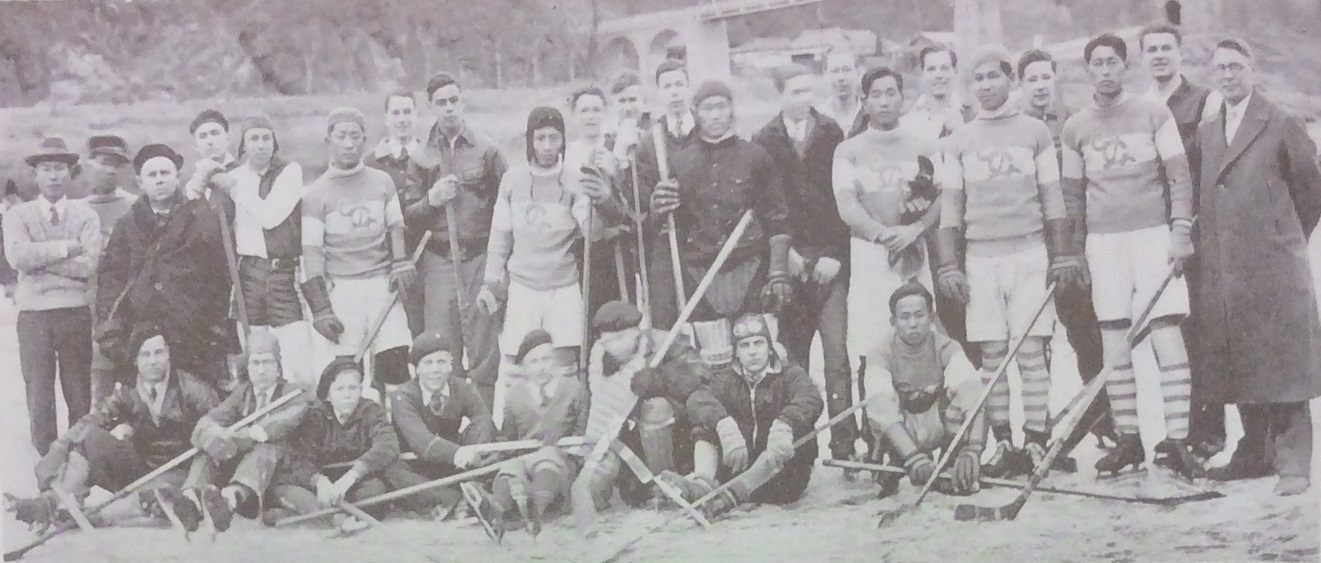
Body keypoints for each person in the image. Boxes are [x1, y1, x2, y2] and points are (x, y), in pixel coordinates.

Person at [1060, 33, 1200, 479]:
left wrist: (1180, 234)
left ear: (1125, 66)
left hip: (1152, 236)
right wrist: (1076, 252)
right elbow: (1072, 197)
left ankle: (1177, 440)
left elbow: (1179, 177)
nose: (1105, 70)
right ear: (1088, 71)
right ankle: (1128, 439)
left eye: (1112, 62)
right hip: (1104, 243)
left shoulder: (1153, 112)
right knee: (1114, 340)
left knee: (1165, 334)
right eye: (1097, 63)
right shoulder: (1075, 127)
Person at [938, 45, 1080, 477]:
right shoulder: (959, 140)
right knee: (993, 355)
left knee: (1031, 351)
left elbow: (1052, 197)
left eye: (993, 76)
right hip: (982, 257)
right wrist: (949, 264)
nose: (986, 85)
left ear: (1010, 81)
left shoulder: (1034, 131)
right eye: (978, 78)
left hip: (1030, 253)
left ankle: (1036, 440)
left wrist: (1061, 255)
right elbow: (951, 208)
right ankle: (1003, 442)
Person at [1194, 38, 1321, 496]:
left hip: (1275, 263)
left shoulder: (1281, 121)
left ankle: (1293, 464)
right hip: (1228, 268)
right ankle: (1254, 453)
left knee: (1286, 364)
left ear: (1252, 70)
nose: (1227, 75)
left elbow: (1310, 189)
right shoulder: (1210, 129)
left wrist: (1282, 237)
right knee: (1241, 360)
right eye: (1219, 68)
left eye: (1235, 66)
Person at [5, 323, 219, 532]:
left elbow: (218, 428)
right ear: (135, 360)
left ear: (168, 354)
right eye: (146, 355)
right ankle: (48, 503)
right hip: (141, 469)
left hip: (181, 473)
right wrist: (57, 453)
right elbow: (90, 423)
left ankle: (96, 516)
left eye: (159, 353)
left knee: (157, 493)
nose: (154, 361)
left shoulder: (193, 390)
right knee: (90, 438)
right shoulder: (126, 392)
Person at [831, 66, 942, 462]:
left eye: (891, 92)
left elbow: (943, 197)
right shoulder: (849, 150)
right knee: (872, 342)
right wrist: (883, 234)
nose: (884, 101)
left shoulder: (924, 143)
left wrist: (915, 231)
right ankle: (878, 438)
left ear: (902, 97)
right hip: (871, 254)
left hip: (914, 251)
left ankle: (924, 434)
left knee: (917, 336)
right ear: (864, 101)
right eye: (875, 94)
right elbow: (846, 205)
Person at [649, 80, 793, 367]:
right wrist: (658, 208)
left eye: (721, 107)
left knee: (757, 358)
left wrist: (777, 273)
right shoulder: (679, 162)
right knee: (713, 363)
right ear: (696, 113)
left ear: (732, 111)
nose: (715, 115)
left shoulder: (756, 156)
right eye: (708, 108)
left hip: (750, 270)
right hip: (700, 275)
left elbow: (778, 218)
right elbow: (669, 229)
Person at [752, 63, 854, 466]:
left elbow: (842, 201)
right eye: (794, 92)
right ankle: (802, 449)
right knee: (795, 359)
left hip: (829, 259)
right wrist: (786, 256)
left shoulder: (831, 132)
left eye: (808, 91)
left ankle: (844, 444)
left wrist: (835, 255)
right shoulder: (765, 139)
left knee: (837, 355)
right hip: (788, 262)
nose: (803, 99)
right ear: (779, 95)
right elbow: (764, 206)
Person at [1017, 49, 1115, 466]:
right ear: (1021, 84)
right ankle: (1039, 434)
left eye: (1045, 77)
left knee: (1084, 334)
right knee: (1036, 340)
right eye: (1032, 78)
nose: (1040, 85)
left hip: (1070, 244)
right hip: (1029, 243)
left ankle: (1102, 418)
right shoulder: (1015, 127)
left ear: (1055, 78)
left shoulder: (1074, 123)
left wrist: (1076, 247)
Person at [1139, 23, 1226, 461]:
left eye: (1166, 49)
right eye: (1151, 50)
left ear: (1180, 53)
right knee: (1167, 330)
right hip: (1155, 231)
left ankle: (1209, 431)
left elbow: (1211, 165)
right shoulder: (1138, 107)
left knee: (1201, 329)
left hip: (1197, 230)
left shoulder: (1205, 101)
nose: (1159, 56)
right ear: (1142, 57)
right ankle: (1180, 427)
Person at [480, 106, 613, 376]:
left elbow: (593, 235)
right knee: (518, 364)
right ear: (529, 140)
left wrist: (599, 197)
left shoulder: (576, 180)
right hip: (523, 287)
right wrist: (491, 283)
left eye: (554, 138)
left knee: (563, 365)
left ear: (563, 140)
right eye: (540, 138)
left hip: (563, 287)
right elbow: (500, 239)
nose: (547, 146)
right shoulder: (512, 181)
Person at [403, 72, 508, 411]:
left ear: (462, 102)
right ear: (430, 108)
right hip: (439, 263)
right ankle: (448, 426)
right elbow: (407, 216)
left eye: (454, 101)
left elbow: (507, 205)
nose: (449, 109)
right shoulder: (420, 156)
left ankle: (483, 426)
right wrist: (431, 200)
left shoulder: (487, 150)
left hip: (478, 259)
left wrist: (500, 266)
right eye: (441, 103)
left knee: (483, 350)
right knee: (441, 349)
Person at [97, 143, 235, 391]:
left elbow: (218, 275)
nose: (159, 180)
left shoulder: (199, 217)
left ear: (177, 177)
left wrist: (215, 327)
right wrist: (111, 334)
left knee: (198, 402)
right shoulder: (127, 226)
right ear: (140, 183)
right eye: (152, 175)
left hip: (193, 332)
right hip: (142, 335)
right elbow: (111, 281)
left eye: (165, 173)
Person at [660, 313, 823, 519]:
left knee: (786, 440)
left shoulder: (789, 374)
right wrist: (724, 424)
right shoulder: (727, 378)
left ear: (769, 346)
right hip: (740, 466)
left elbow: (811, 398)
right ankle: (702, 486)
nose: (752, 352)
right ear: (736, 351)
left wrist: (785, 424)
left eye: (758, 343)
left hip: (783, 478)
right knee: (707, 423)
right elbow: (698, 398)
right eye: (745, 346)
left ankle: (727, 498)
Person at [300, 107, 416, 393]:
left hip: (381, 287)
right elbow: (312, 253)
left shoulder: (382, 181)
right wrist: (321, 309)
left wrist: (400, 262)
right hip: (342, 291)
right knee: (347, 375)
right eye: (342, 136)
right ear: (329, 141)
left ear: (365, 139)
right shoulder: (315, 194)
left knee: (396, 365)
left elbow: (395, 227)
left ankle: (400, 434)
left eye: (355, 136)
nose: (349, 143)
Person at [570, 301, 709, 534]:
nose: (612, 347)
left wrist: (662, 380)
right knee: (594, 493)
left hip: (673, 433)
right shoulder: (599, 357)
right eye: (607, 341)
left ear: (636, 332)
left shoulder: (665, 343)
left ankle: (665, 485)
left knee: (654, 407)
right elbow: (594, 404)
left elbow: (702, 377)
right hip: (620, 433)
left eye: (618, 339)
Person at [271, 359, 451, 531]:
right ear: (328, 395)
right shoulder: (315, 416)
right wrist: (320, 482)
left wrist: (353, 474)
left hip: (357, 480)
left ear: (360, 390)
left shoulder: (371, 410)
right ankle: (332, 514)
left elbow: (387, 444)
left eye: (353, 388)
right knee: (289, 487)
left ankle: (333, 512)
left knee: (376, 493)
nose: (347, 394)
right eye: (340, 389)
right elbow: (301, 456)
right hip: (324, 479)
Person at [5, 137, 100, 456]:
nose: (54, 176)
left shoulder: (85, 215)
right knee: (39, 393)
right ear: (35, 175)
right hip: (34, 315)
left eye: (60, 168)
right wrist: (63, 248)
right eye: (46, 169)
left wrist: (41, 262)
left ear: (70, 173)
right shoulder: (18, 216)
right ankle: (47, 465)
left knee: (78, 391)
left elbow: (90, 264)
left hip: (74, 311)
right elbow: (18, 258)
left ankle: (78, 462)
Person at [167, 330, 311, 533]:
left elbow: (275, 427)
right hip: (244, 468)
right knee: (208, 448)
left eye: (267, 362)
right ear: (248, 367)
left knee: (266, 448)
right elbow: (208, 421)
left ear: (278, 367)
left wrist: (239, 436)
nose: (261, 370)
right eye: (256, 363)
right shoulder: (242, 393)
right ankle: (192, 501)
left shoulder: (294, 393)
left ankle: (230, 500)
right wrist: (213, 434)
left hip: (278, 473)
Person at [461, 330, 589, 540]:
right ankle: (496, 511)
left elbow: (581, 435)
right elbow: (508, 440)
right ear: (523, 368)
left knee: (547, 458)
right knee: (510, 469)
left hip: (561, 462)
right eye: (534, 362)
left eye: (546, 359)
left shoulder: (574, 390)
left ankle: (533, 513)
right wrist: (489, 462)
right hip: (525, 457)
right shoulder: (514, 397)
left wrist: (564, 451)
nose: (541, 367)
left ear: (555, 360)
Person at [213, 116, 312, 385]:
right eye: (254, 139)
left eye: (266, 138)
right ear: (243, 145)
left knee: (298, 363)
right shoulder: (233, 176)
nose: (261, 145)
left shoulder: (289, 172)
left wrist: (234, 189)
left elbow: (270, 217)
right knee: (255, 355)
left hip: (282, 273)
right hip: (247, 274)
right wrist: (202, 177)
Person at [862, 283, 984, 497]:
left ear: (931, 317)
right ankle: (895, 462)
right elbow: (880, 407)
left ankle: (952, 460)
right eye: (905, 317)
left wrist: (973, 448)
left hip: (934, 420)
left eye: (919, 315)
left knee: (963, 395)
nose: (913, 324)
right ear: (893, 321)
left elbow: (972, 391)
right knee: (879, 406)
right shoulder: (879, 352)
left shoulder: (946, 346)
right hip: (901, 427)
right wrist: (912, 455)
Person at [630, 61, 702, 329]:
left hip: (705, 239)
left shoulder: (707, 131)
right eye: (667, 86)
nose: (674, 92)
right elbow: (640, 206)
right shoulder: (650, 141)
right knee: (666, 321)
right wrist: (657, 204)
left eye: (679, 85)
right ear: (659, 93)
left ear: (689, 88)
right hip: (667, 240)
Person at [389, 330, 495, 495]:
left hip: (452, 462)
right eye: (428, 363)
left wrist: (476, 449)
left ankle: (470, 489)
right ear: (416, 369)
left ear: (450, 364)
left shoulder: (463, 388)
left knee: (491, 445)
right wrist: (459, 453)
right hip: (416, 464)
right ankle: (454, 499)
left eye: (441, 362)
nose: (435, 370)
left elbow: (483, 418)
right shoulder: (402, 396)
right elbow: (421, 441)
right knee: (395, 473)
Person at [78, 134, 136, 405]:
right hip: (88, 306)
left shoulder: (135, 206)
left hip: (127, 305)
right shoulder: (76, 210)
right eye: (104, 162)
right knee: (98, 388)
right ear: (88, 163)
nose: (111, 170)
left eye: (117, 164)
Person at [564, 86, 632, 310]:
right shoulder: (566, 155)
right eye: (584, 111)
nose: (591, 116)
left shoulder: (617, 148)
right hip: (583, 247)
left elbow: (633, 198)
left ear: (605, 113)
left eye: (596, 109)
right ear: (574, 115)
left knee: (624, 309)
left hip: (619, 247)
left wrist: (618, 171)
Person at [365, 91, 426, 336]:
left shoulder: (430, 157)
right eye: (396, 113)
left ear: (417, 116)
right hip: (385, 258)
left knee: (423, 326)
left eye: (408, 112)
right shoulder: (371, 163)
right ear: (386, 119)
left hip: (426, 255)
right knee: (389, 330)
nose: (402, 119)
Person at [902, 44, 976, 143]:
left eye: (944, 68)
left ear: (955, 71)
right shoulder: (908, 122)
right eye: (931, 69)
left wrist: (960, 131)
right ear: (922, 73)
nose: (938, 75)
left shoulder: (971, 116)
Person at [818, 49, 867, 137]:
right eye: (834, 71)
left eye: (846, 70)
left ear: (858, 73)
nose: (841, 77)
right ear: (825, 75)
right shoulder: (817, 118)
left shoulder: (870, 114)